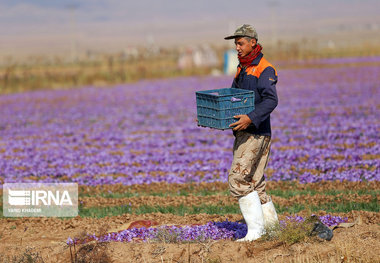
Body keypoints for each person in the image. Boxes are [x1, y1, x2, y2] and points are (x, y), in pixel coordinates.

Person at [224, 24, 279, 241]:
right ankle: (273, 229)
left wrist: (250, 118)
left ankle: (256, 233)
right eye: (235, 44)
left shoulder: (264, 68)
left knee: (238, 179)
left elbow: (271, 100)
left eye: (240, 43)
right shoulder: (242, 68)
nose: (237, 47)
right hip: (244, 132)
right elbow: (232, 98)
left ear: (252, 43)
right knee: (256, 182)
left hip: (256, 132)